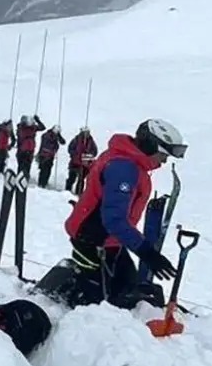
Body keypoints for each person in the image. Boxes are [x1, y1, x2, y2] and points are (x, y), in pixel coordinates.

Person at [62, 119, 186, 307]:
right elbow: (113, 219)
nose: (164, 161)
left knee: (127, 291)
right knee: (97, 304)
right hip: (93, 240)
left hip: (110, 241)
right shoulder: (124, 169)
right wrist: (147, 252)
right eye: (163, 155)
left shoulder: (129, 162)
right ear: (150, 146)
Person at [66, 127, 98, 195]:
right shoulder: (76, 140)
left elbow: (95, 152)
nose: (87, 134)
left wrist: (88, 155)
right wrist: (75, 155)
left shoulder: (91, 141)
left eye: (88, 132)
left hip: (84, 164)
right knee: (71, 177)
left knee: (81, 180)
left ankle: (79, 193)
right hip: (74, 163)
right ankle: (67, 191)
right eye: (85, 132)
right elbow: (70, 149)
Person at [37, 120, 65, 189]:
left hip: (50, 156)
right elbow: (47, 144)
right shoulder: (46, 135)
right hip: (44, 155)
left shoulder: (56, 137)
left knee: (48, 170)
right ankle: (41, 183)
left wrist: (59, 136)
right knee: (43, 170)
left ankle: (44, 183)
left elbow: (63, 142)